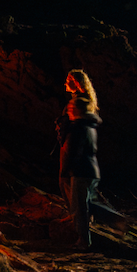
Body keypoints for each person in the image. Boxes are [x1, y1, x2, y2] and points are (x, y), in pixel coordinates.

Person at [57, 69, 102, 250]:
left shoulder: (81, 122)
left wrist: (68, 167)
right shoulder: (86, 123)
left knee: (79, 200)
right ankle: (77, 219)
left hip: (80, 166)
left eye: (70, 79)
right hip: (85, 166)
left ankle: (83, 235)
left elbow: (76, 149)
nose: (66, 82)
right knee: (80, 198)